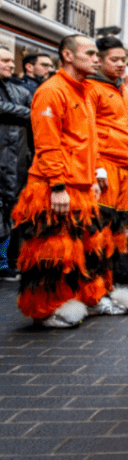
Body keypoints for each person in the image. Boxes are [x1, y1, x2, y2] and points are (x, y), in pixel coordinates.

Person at [12, 36, 128, 327]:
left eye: (97, 53)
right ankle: (45, 311)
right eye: (90, 53)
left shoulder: (81, 91)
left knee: (83, 251)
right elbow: (47, 143)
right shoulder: (52, 91)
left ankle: (85, 299)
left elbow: (86, 142)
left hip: (80, 185)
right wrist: (57, 186)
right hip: (54, 186)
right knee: (52, 253)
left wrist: (92, 176)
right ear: (67, 56)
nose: (97, 59)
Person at [87, 37, 128, 287]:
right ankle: (96, 282)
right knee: (101, 224)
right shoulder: (91, 88)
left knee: (120, 224)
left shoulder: (127, 92)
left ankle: (110, 279)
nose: (121, 64)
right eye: (115, 60)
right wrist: (97, 164)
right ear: (99, 61)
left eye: (123, 59)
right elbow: (88, 131)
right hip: (106, 166)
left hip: (126, 167)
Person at [0, 46, 32, 283]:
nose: (12, 65)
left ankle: (5, 262)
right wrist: (27, 112)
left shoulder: (19, 91)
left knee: (11, 210)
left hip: (17, 162)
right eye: (5, 61)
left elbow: (38, 113)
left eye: (12, 61)